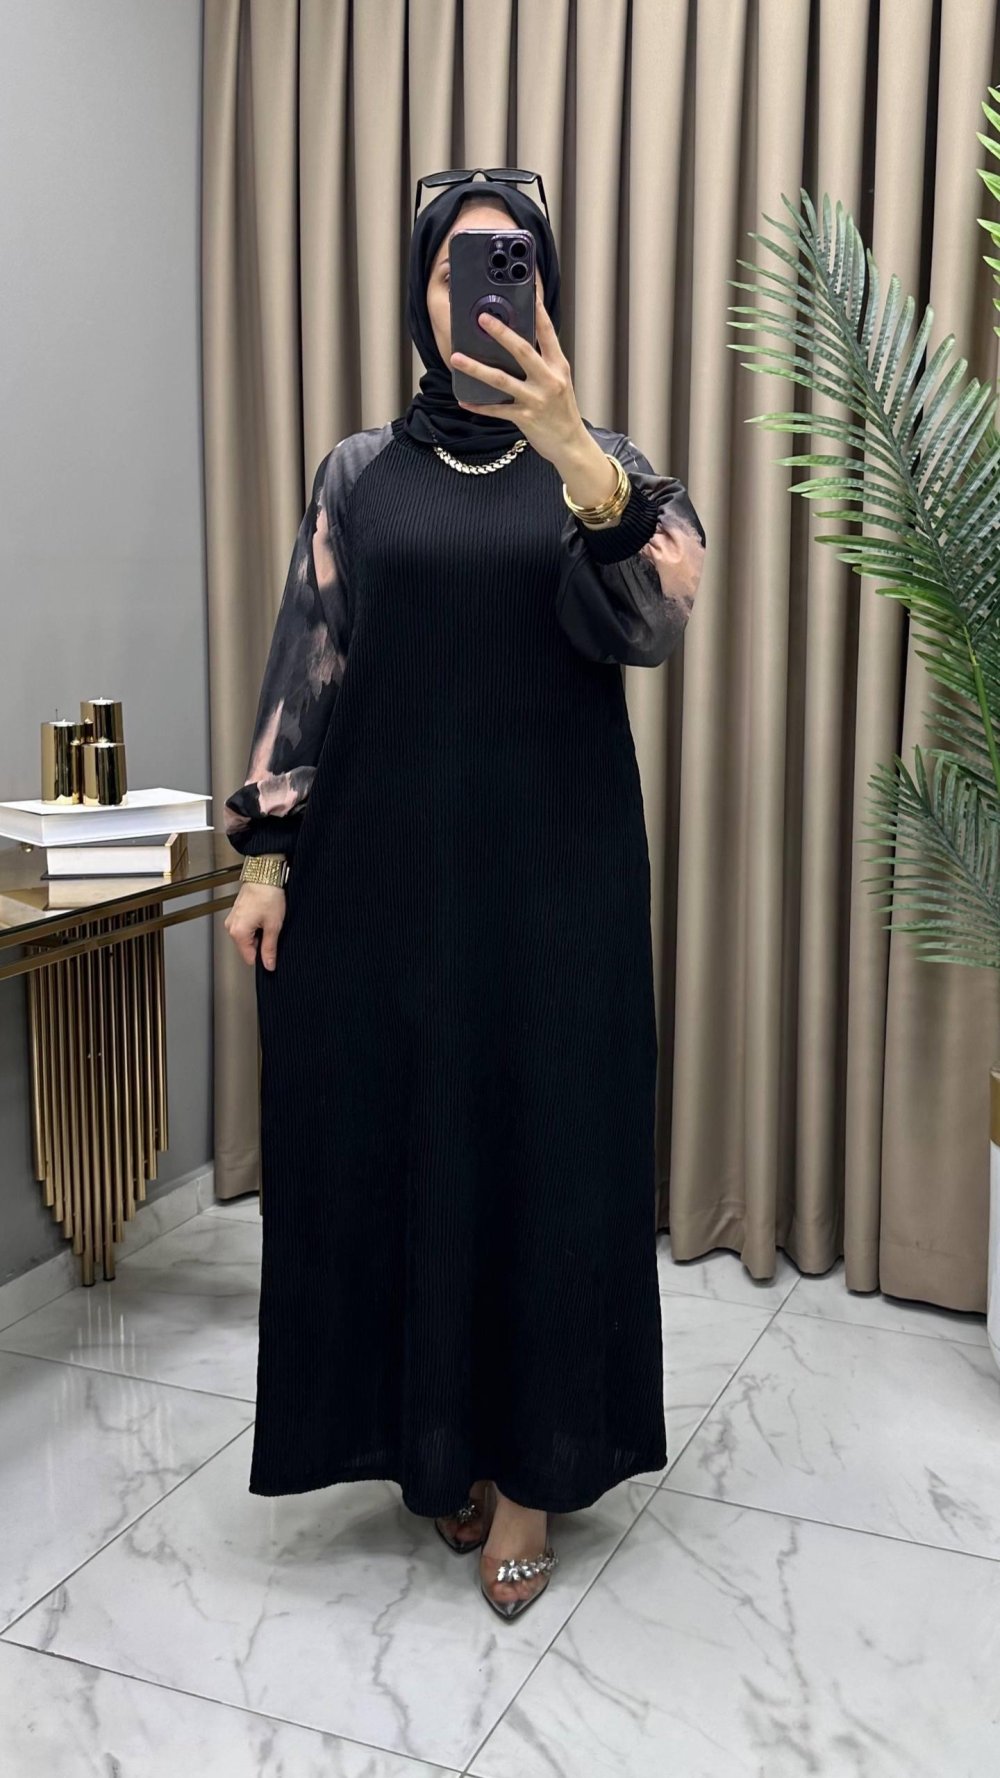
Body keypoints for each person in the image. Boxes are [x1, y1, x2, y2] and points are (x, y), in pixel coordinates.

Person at [222, 171, 706, 1621]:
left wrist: (578, 458)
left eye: (510, 264)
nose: (479, 292)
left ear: (543, 292)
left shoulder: (608, 465)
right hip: (388, 880)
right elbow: (312, 650)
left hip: (557, 881)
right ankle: (435, 1439)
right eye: (454, 268)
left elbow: (660, 618)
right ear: (422, 294)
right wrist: (264, 853)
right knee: (410, 1144)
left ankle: (537, 1473)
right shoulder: (357, 471)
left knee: (549, 1152)